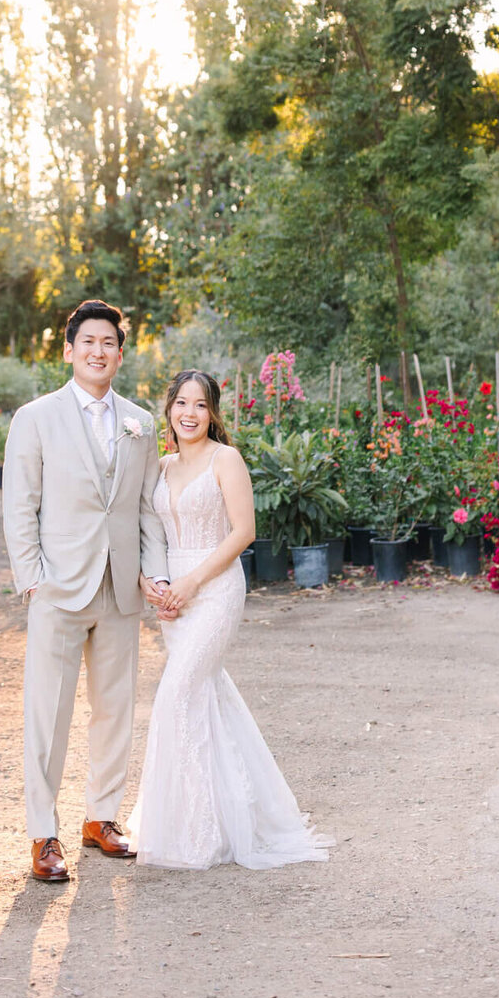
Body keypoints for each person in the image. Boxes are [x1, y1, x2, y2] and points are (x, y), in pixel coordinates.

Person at [131, 370, 333, 869]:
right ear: (169, 410)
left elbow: (243, 532)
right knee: (204, 696)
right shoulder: (159, 466)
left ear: (213, 412)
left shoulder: (227, 460)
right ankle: (226, 814)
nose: (189, 413)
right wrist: (148, 583)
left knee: (176, 695)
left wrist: (192, 583)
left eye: (200, 405)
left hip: (215, 589)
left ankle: (200, 833)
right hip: (170, 599)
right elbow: (148, 535)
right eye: (181, 403)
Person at [2, 299, 172, 883]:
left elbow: (149, 508)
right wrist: (32, 578)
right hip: (58, 587)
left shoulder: (141, 422)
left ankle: (101, 818)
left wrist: (157, 573)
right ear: (69, 350)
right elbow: (20, 504)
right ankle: (42, 834)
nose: (99, 352)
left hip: (119, 587)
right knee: (47, 713)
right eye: (89, 342)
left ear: (120, 355)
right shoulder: (35, 417)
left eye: (110, 344)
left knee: (116, 707)